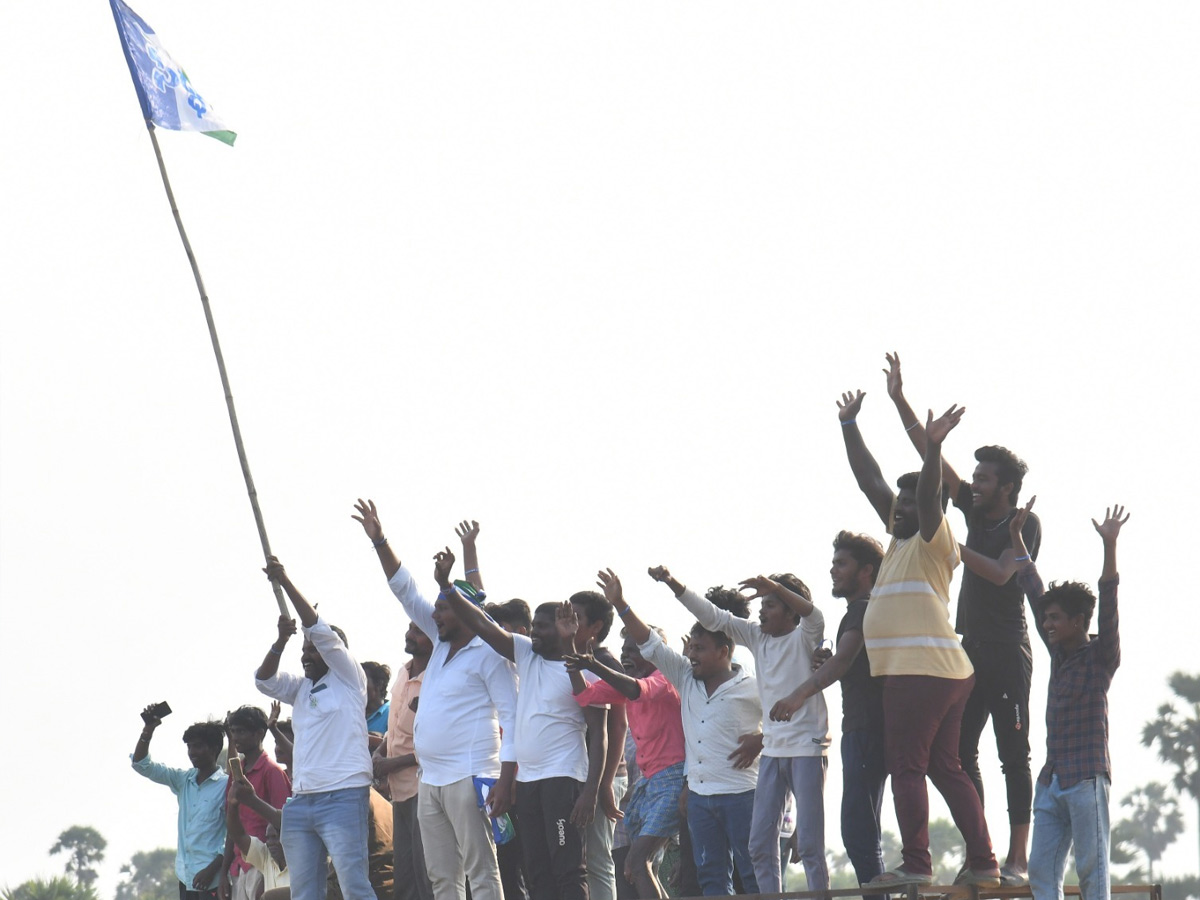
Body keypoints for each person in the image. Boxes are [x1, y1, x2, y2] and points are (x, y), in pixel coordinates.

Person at [885, 352, 1041, 882]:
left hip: (1007, 650)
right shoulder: (970, 511)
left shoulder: (1025, 522)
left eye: (984, 478)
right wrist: (899, 400)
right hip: (965, 649)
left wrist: (956, 548)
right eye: (972, 475)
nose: (973, 483)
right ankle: (984, 859)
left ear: (1007, 487)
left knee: (1012, 756)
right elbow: (932, 472)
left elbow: (1004, 574)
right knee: (954, 756)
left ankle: (1018, 859)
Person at [837, 388, 999, 887]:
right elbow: (869, 480)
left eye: (910, 502)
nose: (900, 507)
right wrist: (848, 425)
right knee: (945, 768)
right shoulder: (897, 538)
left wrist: (932, 451)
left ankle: (916, 866)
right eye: (899, 502)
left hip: (919, 671)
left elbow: (929, 496)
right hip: (945, 671)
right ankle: (985, 864)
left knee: (906, 765)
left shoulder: (935, 536)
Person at [353, 500, 517, 900]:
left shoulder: (489, 654)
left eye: (443, 609)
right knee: (442, 878)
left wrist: (506, 782)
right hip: (431, 780)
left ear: (464, 612)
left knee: (481, 872)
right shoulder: (442, 645)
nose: (434, 616)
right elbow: (404, 589)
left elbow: (514, 722)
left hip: (470, 775)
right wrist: (380, 541)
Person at [431, 544, 607, 900]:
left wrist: (590, 792)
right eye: (535, 628)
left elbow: (599, 734)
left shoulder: (586, 670)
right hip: (528, 782)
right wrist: (447, 587)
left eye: (545, 628)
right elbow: (482, 624)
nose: (535, 633)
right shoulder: (527, 654)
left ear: (565, 629)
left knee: (568, 871)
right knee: (537, 870)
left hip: (563, 780)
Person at [646, 564, 829, 894]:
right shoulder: (758, 638)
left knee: (811, 846)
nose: (761, 610)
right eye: (762, 604)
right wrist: (673, 583)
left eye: (770, 604)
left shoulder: (806, 636)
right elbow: (715, 617)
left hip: (804, 748)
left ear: (790, 611)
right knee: (758, 847)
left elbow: (812, 614)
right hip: (774, 752)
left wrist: (776, 587)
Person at [606, 570, 762, 897]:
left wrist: (761, 738)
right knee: (711, 878)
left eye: (700, 649)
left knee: (752, 873)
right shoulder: (685, 678)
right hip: (701, 798)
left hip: (741, 795)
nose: (691, 655)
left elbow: (791, 716)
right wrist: (620, 604)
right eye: (690, 648)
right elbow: (649, 643)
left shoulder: (751, 686)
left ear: (724, 650)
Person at [1012, 502, 1127, 900]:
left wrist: (1109, 546)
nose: (1047, 625)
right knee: (1042, 873)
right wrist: (1016, 539)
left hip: (1086, 780)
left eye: (1055, 619)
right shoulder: (1058, 653)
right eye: (1046, 620)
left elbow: (1109, 603)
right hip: (1054, 779)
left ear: (1078, 621)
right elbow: (1032, 588)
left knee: (1092, 873)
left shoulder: (1100, 657)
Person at [769, 531, 887, 891]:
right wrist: (828, 660)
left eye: (842, 563)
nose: (833, 570)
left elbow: (842, 663)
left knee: (857, 829)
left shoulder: (863, 608)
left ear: (866, 570)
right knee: (862, 828)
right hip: (864, 727)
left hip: (867, 727)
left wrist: (797, 696)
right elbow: (843, 662)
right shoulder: (861, 611)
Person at [254, 556, 376, 900]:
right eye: (303, 650)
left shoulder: (349, 678)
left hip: (344, 795)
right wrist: (281, 641)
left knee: (355, 887)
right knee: (305, 893)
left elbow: (320, 630)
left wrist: (286, 581)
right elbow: (264, 681)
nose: (306, 656)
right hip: (301, 801)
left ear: (334, 653)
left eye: (313, 651)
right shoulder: (301, 688)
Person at [565, 576, 687, 900]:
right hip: (647, 784)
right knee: (634, 866)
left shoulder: (663, 679)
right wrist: (572, 656)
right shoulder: (628, 683)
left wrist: (594, 664)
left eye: (635, 650)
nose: (627, 655)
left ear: (655, 654)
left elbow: (636, 690)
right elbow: (585, 696)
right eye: (625, 650)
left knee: (637, 860)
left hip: (673, 779)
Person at [131, 710, 228, 900]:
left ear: (214, 747)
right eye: (189, 747)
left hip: (214, 879)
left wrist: (212, 869)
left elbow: (234, 834)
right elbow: (141, 765)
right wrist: (148, 731)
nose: (192, 752)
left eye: (198, 746)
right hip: (186, 877)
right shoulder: (184, 780)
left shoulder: (226, 785)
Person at [373, 622, 436, 900]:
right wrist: (381, 751)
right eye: (410, 628)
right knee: (405, 882)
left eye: (418, 631)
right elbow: (396, 724)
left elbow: (437, 744)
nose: (409, 634)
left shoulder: (437, 678)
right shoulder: (403, 672)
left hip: (424, 790)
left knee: (428, 878)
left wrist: (393, 764)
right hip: (399, 793)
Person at [221, 706, 292, 900]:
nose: (236, 737)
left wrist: (269, 869)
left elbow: (285, 822)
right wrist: (224, 871)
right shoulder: (236, 774)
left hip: (266, 863)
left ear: (259, 733)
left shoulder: (272, 771)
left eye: (241, 731)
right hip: (240, 863)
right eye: (233, 731)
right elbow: (231, 827)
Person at [225, 777, 289, 898]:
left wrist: (251, 799)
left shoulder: (303, 858)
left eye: (275, 837)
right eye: (268, 838)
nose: (270, 843)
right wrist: (232, 805)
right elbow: (238, 836)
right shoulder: (266, 856)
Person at [363, 662, 393, 740]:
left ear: (379, 684)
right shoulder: (353, 713)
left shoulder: (393, 714)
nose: (358, 687)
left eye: (363, 681)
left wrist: (380, 740)